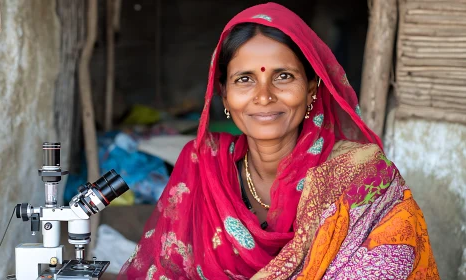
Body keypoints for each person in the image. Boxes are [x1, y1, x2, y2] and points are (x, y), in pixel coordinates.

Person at [118, 2, 439, 279]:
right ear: (224, 96)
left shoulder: (361, 176)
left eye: (283, 76)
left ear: (313, 87)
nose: (264, 96)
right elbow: (164, 271)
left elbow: (392, 261)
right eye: (245, 79)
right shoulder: (202, 163)